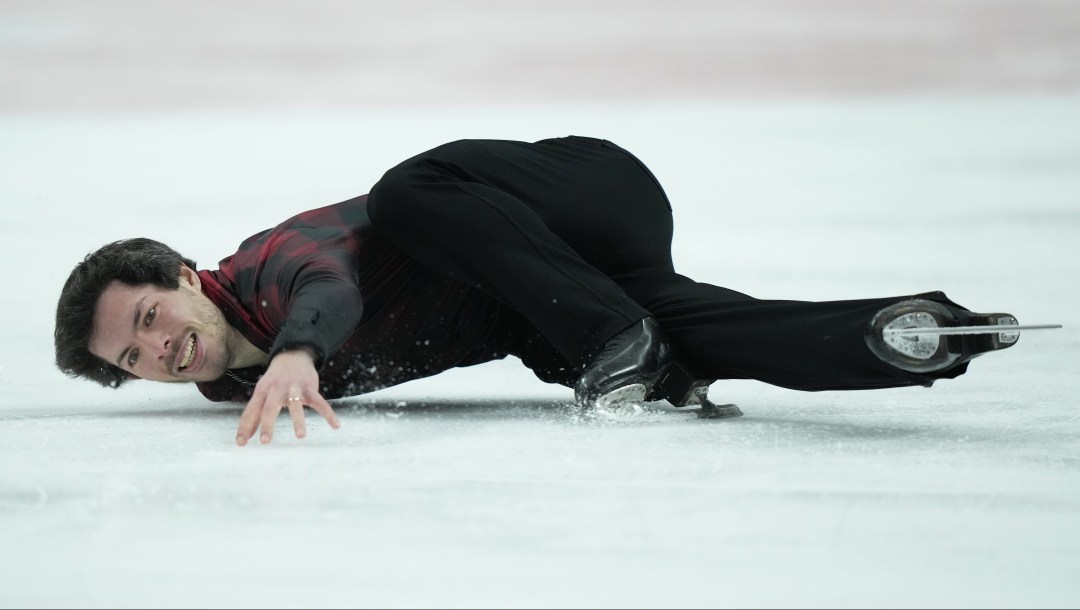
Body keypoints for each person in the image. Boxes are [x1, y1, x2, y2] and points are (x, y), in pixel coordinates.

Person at [54, 135, 1021, 446]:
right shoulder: (235, 381)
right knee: (677, 337)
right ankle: (911, 335)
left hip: (583, 192)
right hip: (560, 290)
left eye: (150, 317)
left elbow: (330, 281)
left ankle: (619, 346)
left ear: (184, 277)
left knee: (407, 190)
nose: (160, 350)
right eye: (132, 360)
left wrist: (303, 345)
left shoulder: (268, 271)